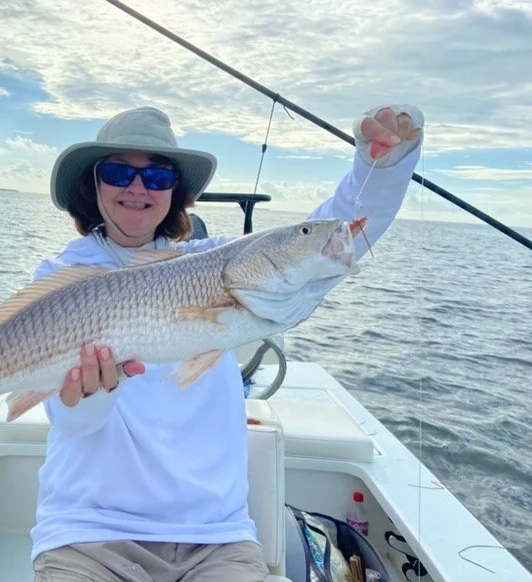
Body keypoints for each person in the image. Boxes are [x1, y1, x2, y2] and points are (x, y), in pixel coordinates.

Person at [29, 105, 424, 581]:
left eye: (157, 175)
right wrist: (89, 396)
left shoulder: (210, 261)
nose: (138, 187)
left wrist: (381, 165)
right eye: (118, 172)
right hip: (87, 535)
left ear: (175, 190)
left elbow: (333, 235)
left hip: (215, 538)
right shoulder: (60, 279)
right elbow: (70, 422)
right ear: (93, 184)